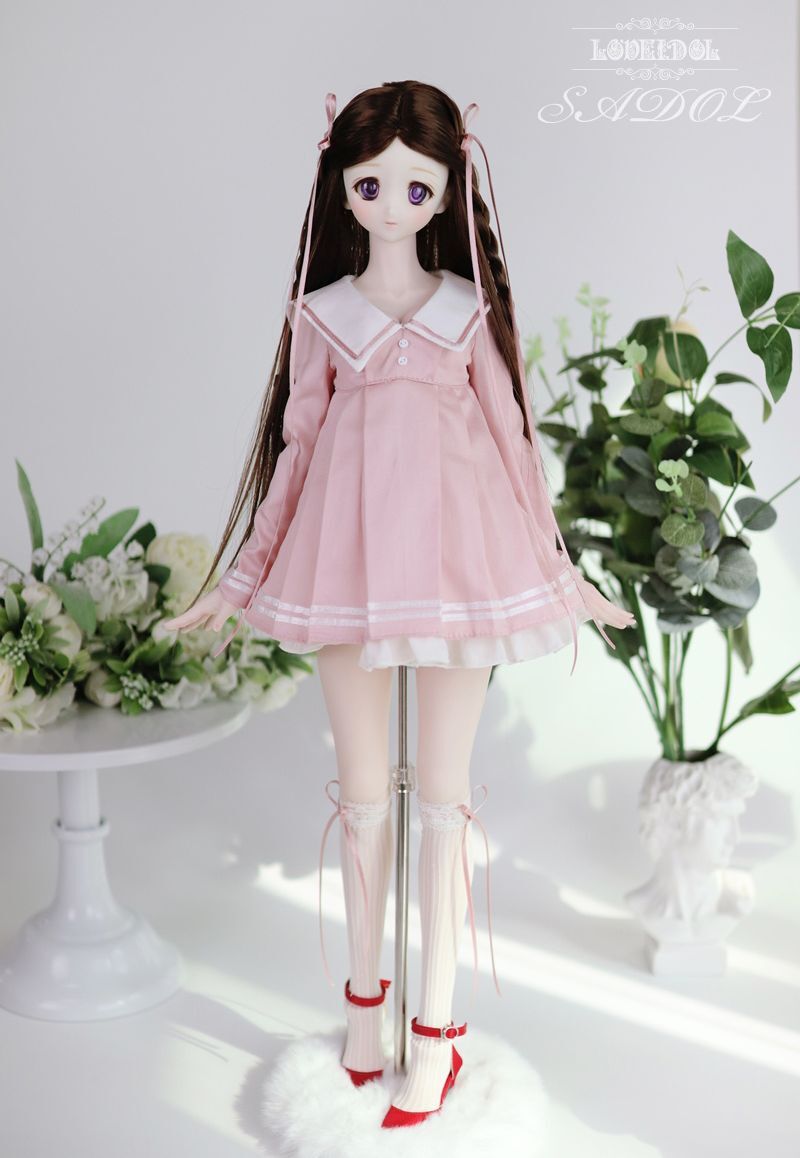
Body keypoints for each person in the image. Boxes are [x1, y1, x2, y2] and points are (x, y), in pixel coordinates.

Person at [164, 80, 636, 1129]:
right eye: (370, 184)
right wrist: (238, 578)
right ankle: (365, 1012)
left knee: (443, 806)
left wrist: (562, 572)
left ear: (446, 192)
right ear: (341, 188)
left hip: (464, 573)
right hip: (345, 574)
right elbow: (292, 458)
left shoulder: (467, 311)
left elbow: (515, 445)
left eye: (414, 187)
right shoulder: (322, 317)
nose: (390, 203)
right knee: (365, 802)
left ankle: (438, 1033)